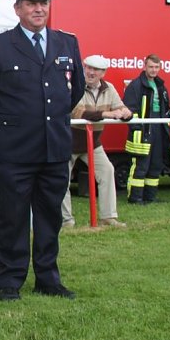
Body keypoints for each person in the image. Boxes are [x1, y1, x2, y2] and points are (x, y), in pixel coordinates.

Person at [0, 0, 84, 301]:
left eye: (43, 3)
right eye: (32, 3)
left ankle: (48, 278)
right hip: (16, 150)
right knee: (13, 217)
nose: (38, 9)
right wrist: (8, 123)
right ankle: (10, 280)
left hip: (54, 147)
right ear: (17, 7)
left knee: (50, 217)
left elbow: (73, 90)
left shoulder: (66, 43)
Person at [61, 54, 133, 227]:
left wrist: (126, 113)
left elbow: (119, 107)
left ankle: (108, 216)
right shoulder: (74, 86)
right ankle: (66, 220)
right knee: (61, 179)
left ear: (103, 73)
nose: (91, 72)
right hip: (67, 141)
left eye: (96, 69)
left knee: (107, 171)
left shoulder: (109, 88)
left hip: (92, 142)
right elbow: (76, 113)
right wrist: (106, 114)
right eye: (88, 68)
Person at [124, 54, 170, 204]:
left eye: (156, 67)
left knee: (156, 164)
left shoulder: (160, 85)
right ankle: (135, 198)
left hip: (158, 128)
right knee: (141, 165)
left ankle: (150, 197)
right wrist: (138, 128)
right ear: (144, 66)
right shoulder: (136, 85)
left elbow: (166, 108)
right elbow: (129, 110)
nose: (153, 70)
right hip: (143, 131)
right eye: (151, 67)